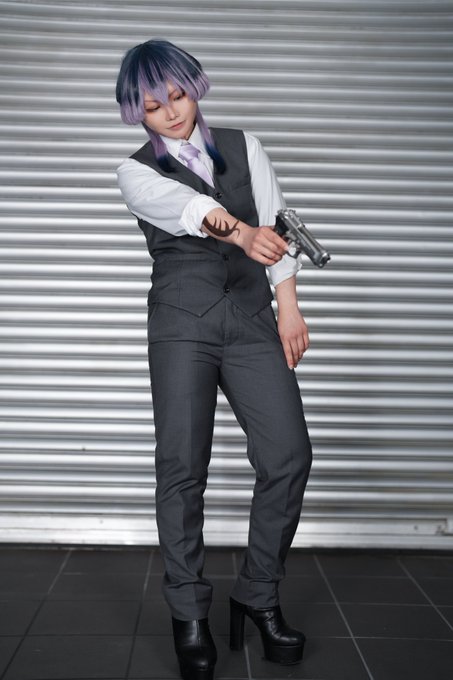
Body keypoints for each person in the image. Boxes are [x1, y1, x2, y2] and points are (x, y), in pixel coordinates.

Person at [115, 39, 313, 680]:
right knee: (182, 469)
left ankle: (257, 594)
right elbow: (190, 209)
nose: (171, 114)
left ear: (193, 89)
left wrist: (288, 306)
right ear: (138, 113)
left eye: (178, 96)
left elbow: (278, 222)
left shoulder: (244, 146)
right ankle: (189, 615)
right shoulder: (135, 173)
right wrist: (240, 231)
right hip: (182, 324)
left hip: (252, 319)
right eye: (153, 107)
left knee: (288, 456)